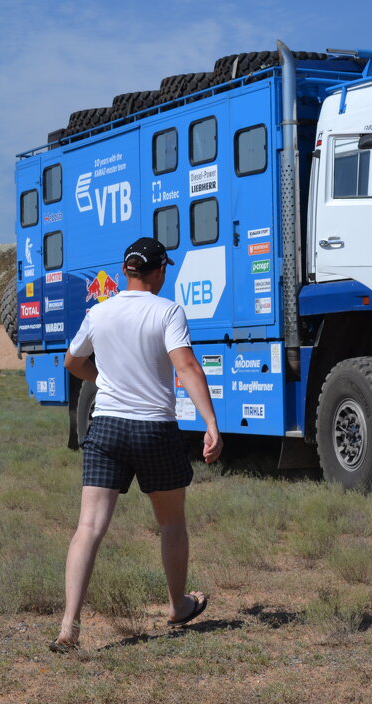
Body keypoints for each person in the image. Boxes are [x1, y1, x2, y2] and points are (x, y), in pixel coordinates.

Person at [50, 237, 222, 652]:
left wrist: (104, 381)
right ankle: (178, 605)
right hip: (154, 430)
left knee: (88, 528)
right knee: (171, 523)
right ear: (159, 270)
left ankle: (69, 627)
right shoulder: (167, 311)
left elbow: (73, 362)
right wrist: (211, 423)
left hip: (106, 427)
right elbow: (186, 366)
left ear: (127, 271)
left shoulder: (99, 311)